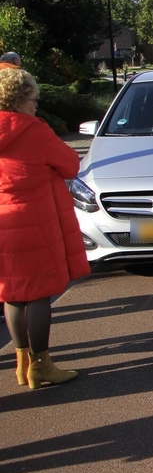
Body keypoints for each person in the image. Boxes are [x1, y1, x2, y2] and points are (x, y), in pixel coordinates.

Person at [0, 67, 90, 389]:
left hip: (3, 223)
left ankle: (21, 363)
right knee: (38, 294)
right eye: (34, 100)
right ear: (20, 101)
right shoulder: (34, 131)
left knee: (13, 294)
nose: (37, 105)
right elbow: (70, 164)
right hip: (35, 222)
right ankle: (42, 364)